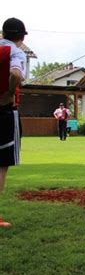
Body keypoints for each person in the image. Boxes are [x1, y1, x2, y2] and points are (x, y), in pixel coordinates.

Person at [0, 18, 28, 228]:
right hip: (4, 111)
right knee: (1, 164)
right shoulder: (16, 52)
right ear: (22, 37)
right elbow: (15, 73)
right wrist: (9, 93)